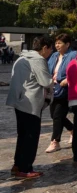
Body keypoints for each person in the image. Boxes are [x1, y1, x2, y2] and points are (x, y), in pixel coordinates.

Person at [6, 35, 54, 179]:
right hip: (31, 103)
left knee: (22, 135)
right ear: (44, 47)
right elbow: (46, 81)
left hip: (19, 101)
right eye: (50, 49)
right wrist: (55, 80)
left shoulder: (21, 58)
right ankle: (25, 168)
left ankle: (17, 165)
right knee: (30, 137)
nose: (51, 52)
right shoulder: (38, 60)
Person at [45, 33, 77, 153]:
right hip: (53, 89)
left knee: (58, 115)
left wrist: (68, 79)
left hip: (65, 90)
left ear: (67, 44)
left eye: (60, 43)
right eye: (56, 43)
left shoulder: (73, 55)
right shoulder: (54, 56)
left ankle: (55, 141)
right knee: (54, 115)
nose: (57, 45)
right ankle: (73, 130)